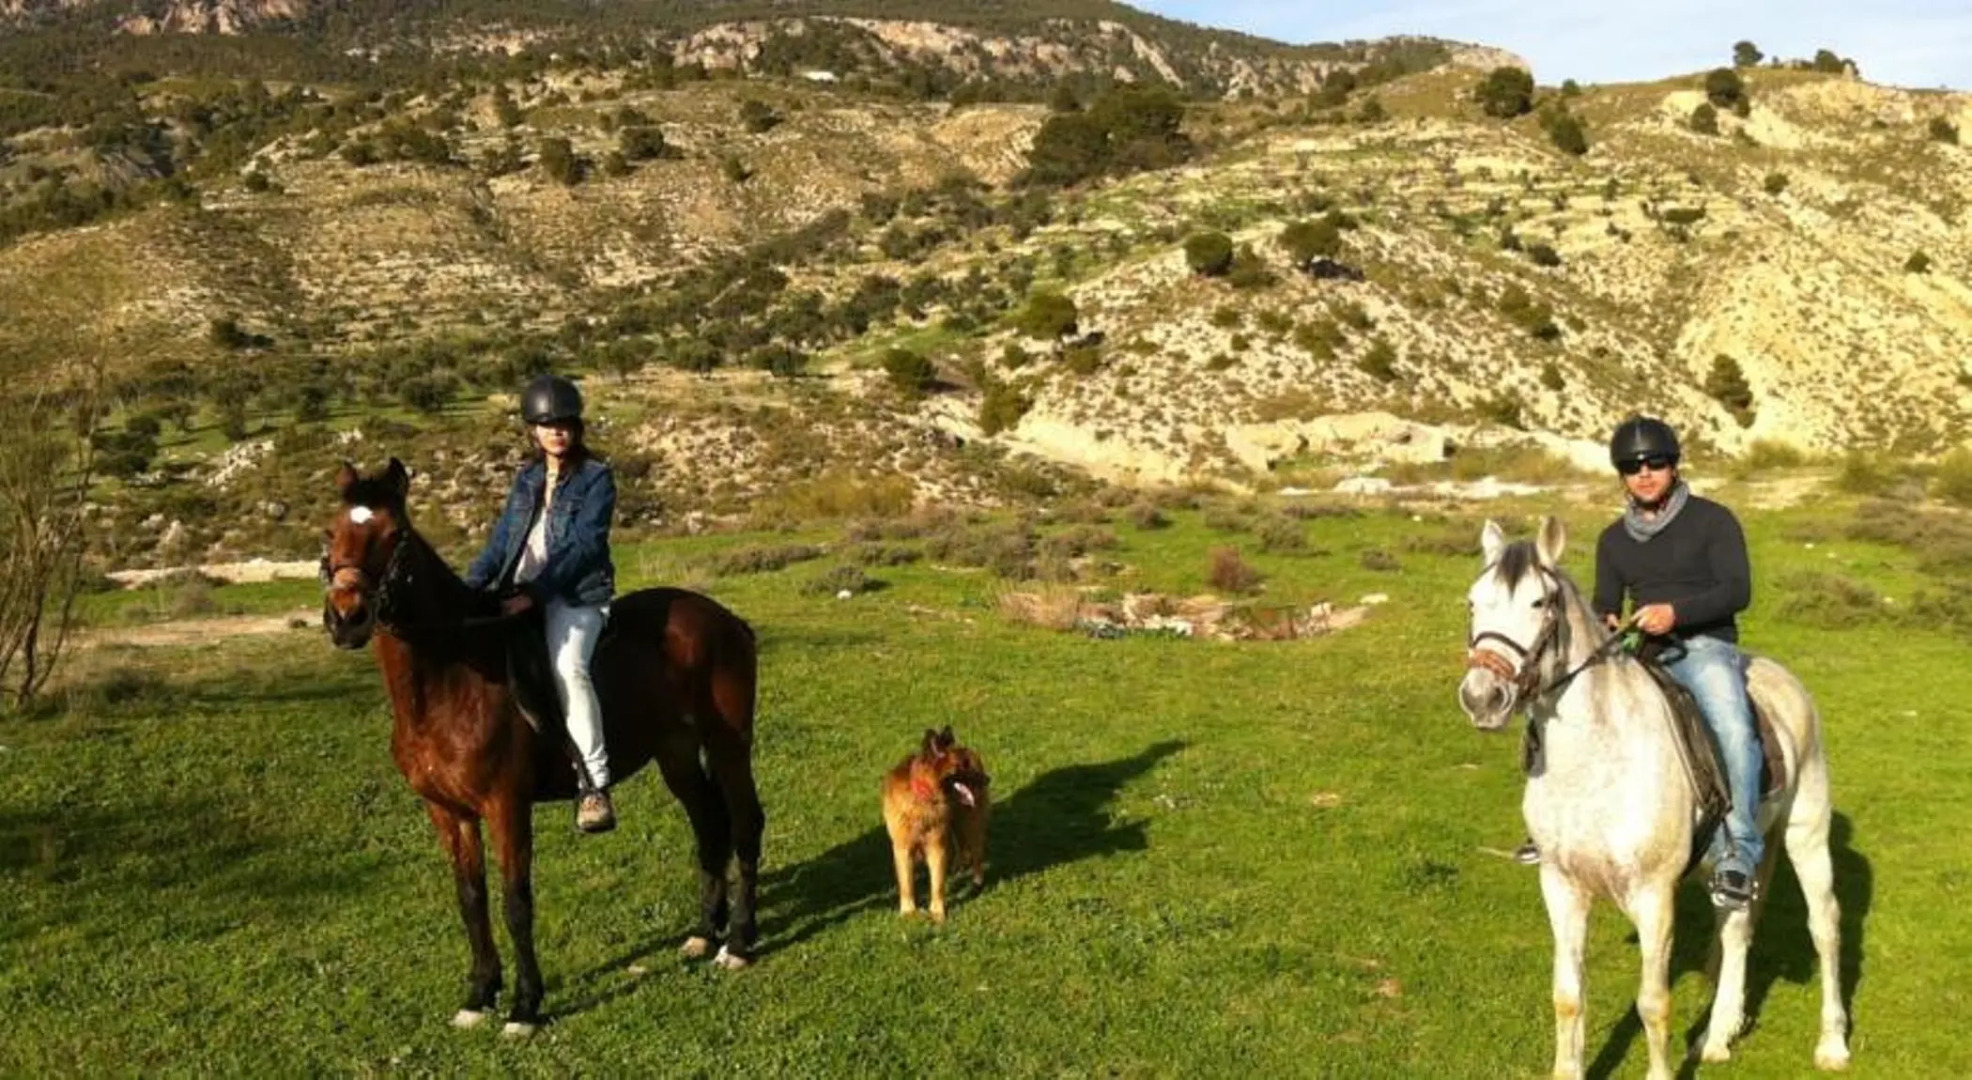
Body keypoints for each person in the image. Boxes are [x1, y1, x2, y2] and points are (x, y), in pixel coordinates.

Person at [1516, 416, 1759, 909]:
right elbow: (1608, 600)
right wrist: (1607, 618)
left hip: (1704, 646)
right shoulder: (1613, 539)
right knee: (1553, 709)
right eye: (1632, 466)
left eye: (1655, 462)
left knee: (1732, 725)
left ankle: (1740, 850)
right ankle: (1553, 830)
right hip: (1640, 652)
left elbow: (1738, 591)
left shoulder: (1714, 520)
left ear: (1674, 465)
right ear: (1621, 475)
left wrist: (1676, 612)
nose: (1644, 472)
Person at [464, 373, 619, 833]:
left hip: (575, 596)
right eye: (547, 423)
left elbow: (586, 545)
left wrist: (536, 594)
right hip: (519, 591)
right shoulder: (527, 479)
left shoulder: (596, 478)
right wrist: (473, 584)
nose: (557, 431)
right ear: (533, 429)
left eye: (565, 423)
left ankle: (594, 782)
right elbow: (502, 541)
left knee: (568, 667)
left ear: (577, 428)